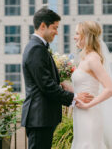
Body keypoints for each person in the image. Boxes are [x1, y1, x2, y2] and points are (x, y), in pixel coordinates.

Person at [21, 8, 93, 149]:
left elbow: (46, 80)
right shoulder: (36, 48)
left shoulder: (38, 47)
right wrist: (74, 97)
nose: (57, 32)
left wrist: (62, 85)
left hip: (42, 118)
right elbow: (46, 85)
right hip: (39, 118)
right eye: (54, 28)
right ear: (43, 26)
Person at [62, 21, 112, 149]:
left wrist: (88, 104)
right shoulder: (84, 58)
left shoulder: (93, 59)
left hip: (90, 114)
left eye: (77, 33)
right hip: (80, 114)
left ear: (86, 36)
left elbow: (110, 89)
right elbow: (86, 87)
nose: (74, 37)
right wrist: (65, 85)